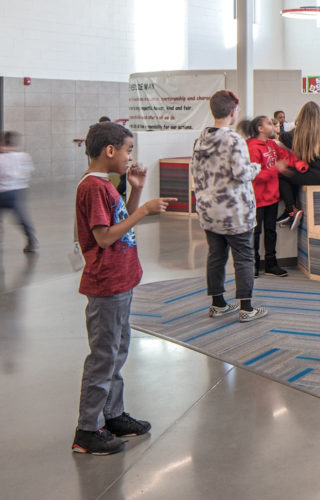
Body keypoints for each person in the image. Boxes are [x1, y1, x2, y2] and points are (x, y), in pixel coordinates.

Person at [72, 122, 174, 455]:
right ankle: (87, 429)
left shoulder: (107, 185)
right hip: (106, 284)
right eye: (128, 150)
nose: (131, 157)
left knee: (116, 351)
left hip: (121, 279)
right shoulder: (92, 187)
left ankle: (112, 415)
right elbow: (104, 237)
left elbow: (119, 221)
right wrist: (145, 210)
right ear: (110, 151)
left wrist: (136, 192)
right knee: (104, 356)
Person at [191, 90, 267, 322]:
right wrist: (256, 166)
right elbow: (242, 173)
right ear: (233, 112)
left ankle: (218, 304)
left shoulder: (200, 138)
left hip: (208, 209)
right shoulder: (234, 139)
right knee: (244, 257)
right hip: (234, 210)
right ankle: (246, 307)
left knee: (216, 255)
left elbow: (196, 172)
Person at [239, 115, 306, 278]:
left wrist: (300, 165)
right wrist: (276, 169)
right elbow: (254, 175)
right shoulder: (252, 147)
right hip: (256, 199)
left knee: (271, 231)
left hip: (272, 197)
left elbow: (286, 156)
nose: (274, 126)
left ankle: (271, 264)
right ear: (260, 129)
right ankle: (253, 265)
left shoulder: (271, 144)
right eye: (270, 123)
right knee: (254, 233)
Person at [277, 101, 320, 230]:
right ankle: (292, 210)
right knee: (296, 172)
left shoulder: (299, 133)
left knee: (282, 174)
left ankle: (291, 210)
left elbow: (283, 137)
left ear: (302, 116)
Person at [0, 131, 39, 252]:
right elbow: (27, 172)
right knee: (22, 218)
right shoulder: (23, 156)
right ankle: (32, 241)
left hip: (3, 191)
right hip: (19, 191)